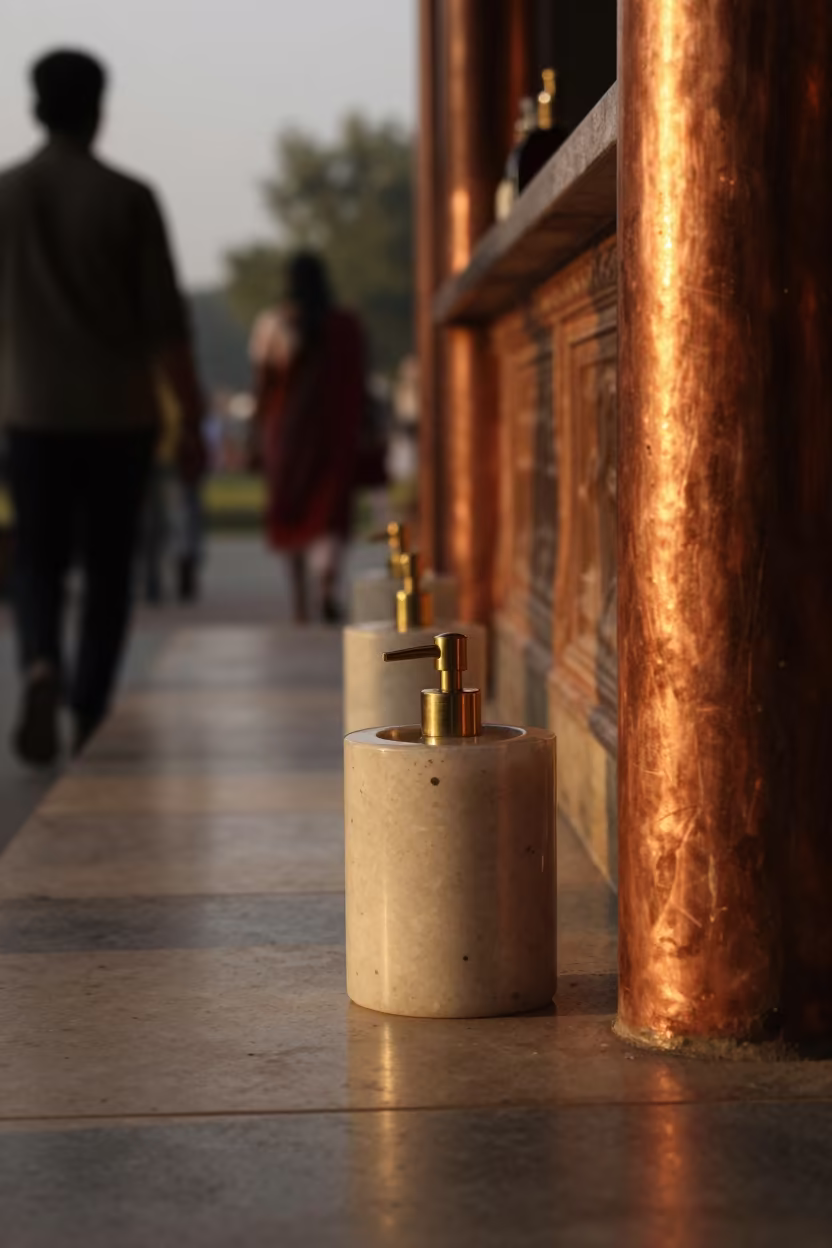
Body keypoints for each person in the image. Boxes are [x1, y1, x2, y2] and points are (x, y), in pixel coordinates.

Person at [0, 49, 204, 765]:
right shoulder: (128, 198)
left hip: (31, 408)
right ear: (98, 108)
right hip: (118, 414)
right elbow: (166, 327)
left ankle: (39, 663)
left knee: (38, 559)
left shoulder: (8, 194)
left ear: (35, 106)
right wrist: (192, 418)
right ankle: (87, 705)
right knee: (111, 566)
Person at [250, 253, 365, 623]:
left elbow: (263, 387)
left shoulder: (275, 325)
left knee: (293, 511)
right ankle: (328, 585)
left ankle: (301, 603)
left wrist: (255, 436)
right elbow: (358, 384)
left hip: (288, 435)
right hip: (335, 432)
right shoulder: (346, 326)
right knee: (328, 515)